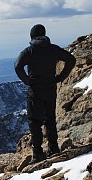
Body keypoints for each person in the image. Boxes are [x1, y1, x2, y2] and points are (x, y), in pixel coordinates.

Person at [14, 24, 76, 162]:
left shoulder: (29, 51)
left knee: (35, 122)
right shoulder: (53, 49)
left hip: (35, 91)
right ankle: (53, 148)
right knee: (50, 120)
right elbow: (71, 60)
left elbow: (17, 66)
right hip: (50, 88)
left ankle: (38, 153)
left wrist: (27, 81)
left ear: (32, 36)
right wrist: (60, 77)